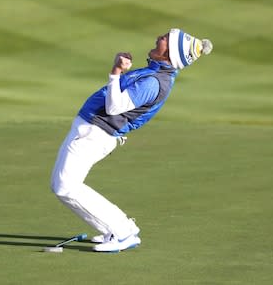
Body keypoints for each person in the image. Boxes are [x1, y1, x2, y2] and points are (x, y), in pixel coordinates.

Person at [50, 28, 213, 252]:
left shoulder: (154, 82)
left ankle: (123, 233)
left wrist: (116, 71)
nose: (159, 38)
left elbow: (115, 106)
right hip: (93, 132)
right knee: (64, 185)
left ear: (170, 54)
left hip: (95, 135)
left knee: (65, 186)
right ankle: (117, 229)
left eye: (165, 39)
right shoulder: (154, 73)